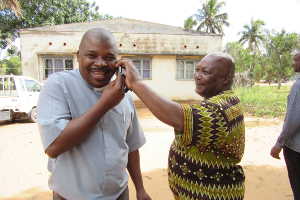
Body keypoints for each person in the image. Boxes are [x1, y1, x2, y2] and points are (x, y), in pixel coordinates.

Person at [37, 28, 151, 200]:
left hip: (119, 194)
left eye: (109, 57)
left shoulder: (124, 95)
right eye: (92, 55)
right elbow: (54, 147)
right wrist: (105, 104)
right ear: (78, 56)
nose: (101, 63)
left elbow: (131, 147)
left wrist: (140, 189)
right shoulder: (59, 85)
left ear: (118, 61)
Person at [116, 53, 245, 200]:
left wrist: (137, 83)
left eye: (206, 72)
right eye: (197, 70)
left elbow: (179, 117)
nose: (197, 76)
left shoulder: (221, 110)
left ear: (225, 79)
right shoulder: (220, 102)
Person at [270, 52, 300, 200]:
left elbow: (294, 120)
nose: (293, 63)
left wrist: (279, 144)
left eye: (295, 60)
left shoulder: (298, 86)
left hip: (296, 149)